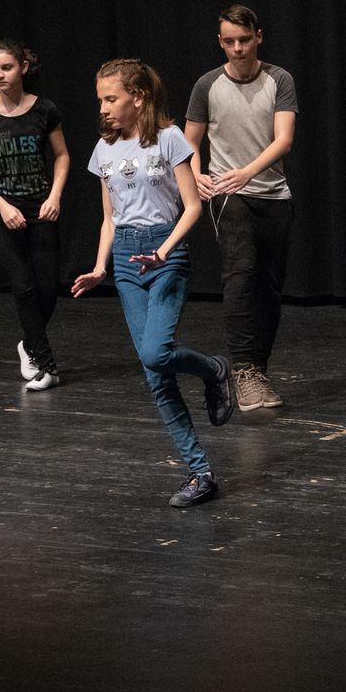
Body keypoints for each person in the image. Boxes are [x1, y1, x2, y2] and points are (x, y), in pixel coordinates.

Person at [72, 59, 234, 508]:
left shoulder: (170, 139)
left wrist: (163, 252)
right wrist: (101, 267)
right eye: (100, 100)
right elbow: (109, 219)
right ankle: (200, 473)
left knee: (155, 353)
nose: (103, 108)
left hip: (165, 254)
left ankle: (214, 370)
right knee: (157, 378)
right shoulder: (103, 150)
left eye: (111, 99)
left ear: (138, 98)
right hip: (126, 259)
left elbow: (192, 207)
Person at [184, 5, 298, 410]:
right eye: (229, 41)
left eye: (244, 40)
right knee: (241, 275)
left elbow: (284, 139)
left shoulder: (279, 79)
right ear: (220, 42)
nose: (237, 48)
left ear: (258, 37)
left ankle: (257, 371)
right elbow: (189, 142)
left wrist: (249, 171)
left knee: (268, 286)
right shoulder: (207, 85)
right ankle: (243, 368)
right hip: (228, 195)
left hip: (273, 194)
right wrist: (195, 175)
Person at [0, 39, 70, 390]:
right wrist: (2, 205)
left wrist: (54, 195)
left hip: (41, 208)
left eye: (6, 67)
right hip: (1, 211)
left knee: (47, 289)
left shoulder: (45, 109)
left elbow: (62, 156)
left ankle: (28, 343)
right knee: (23, 286)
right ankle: (47, 366)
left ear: (23, 67)